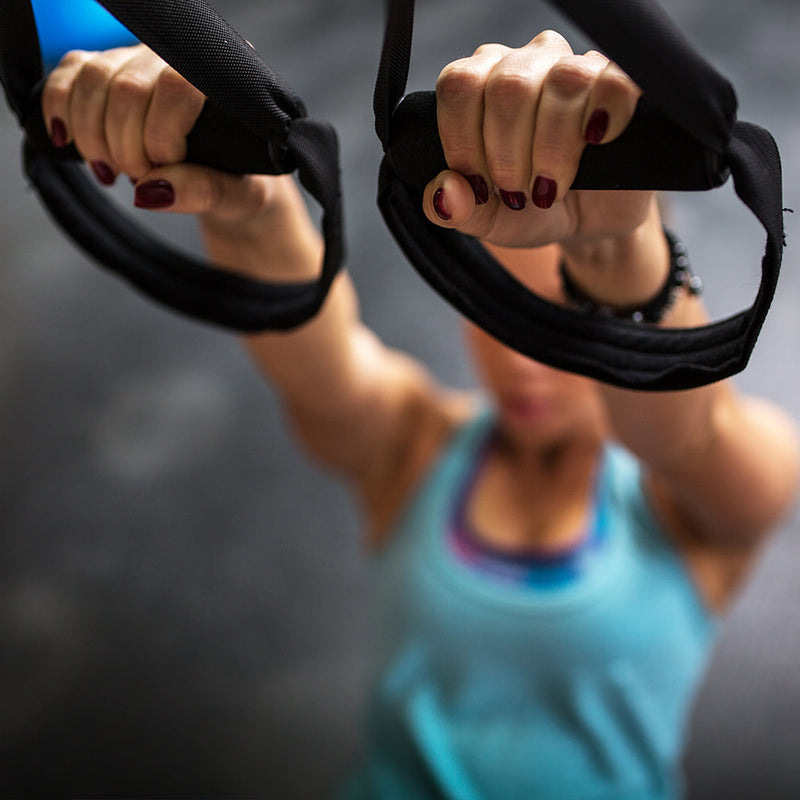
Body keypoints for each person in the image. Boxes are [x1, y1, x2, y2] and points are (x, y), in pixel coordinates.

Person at [41, 32, 799, 799]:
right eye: (501, 315)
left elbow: (686, 431)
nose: (525, 359)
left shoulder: (704, 496)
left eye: (558, 320)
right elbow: (322, 364)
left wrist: (617, 248)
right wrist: (247, 202)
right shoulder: (416, 445)